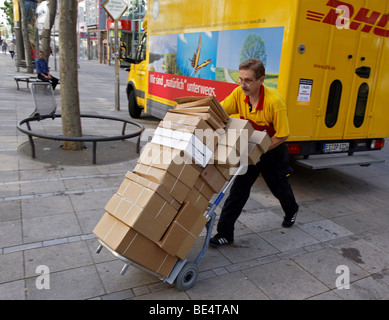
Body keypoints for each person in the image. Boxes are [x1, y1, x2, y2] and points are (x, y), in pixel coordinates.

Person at [210, 58, 299, 246]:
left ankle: (291, 210)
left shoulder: (275, 102)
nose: (243, 85)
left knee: (279, 188)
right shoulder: (238, 94)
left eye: (248, 80)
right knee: (237, 191)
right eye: (240, 79)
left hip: (273, 151)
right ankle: (225, 233)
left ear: (261, 80)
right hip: (250, 148)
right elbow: (221, 111)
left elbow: (283, 135)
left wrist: (260, 150)